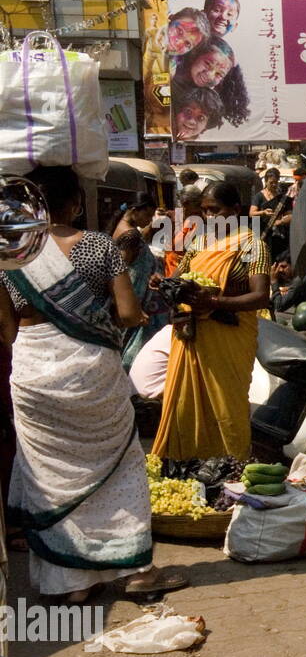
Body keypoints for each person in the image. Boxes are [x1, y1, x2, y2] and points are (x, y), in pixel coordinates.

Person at [0, 166, 185, 601]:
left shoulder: (9, 255)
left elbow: (6, 332)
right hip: (93, 375)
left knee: (49, 475)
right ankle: (136, 572)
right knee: (118, 466)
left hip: (34, 372)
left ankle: (69, 585)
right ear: (77, 203)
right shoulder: (99, 246)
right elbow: (126, 314)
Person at [151, 181, 270, 461]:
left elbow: (261, 296)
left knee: (226, 408)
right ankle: (187, 469)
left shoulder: (251, 245)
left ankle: (232, 468)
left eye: (216, 210)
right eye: (205, 211)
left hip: (229, 337)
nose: (209, 217)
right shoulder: (199, 242)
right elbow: (179, 277)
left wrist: (214, 302)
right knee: (184, 406)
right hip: (192, 336)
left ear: (236, 210)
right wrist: (164, 283)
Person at [111, 191, 168, 370]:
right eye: (148, 215)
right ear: (135, 211)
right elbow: (123, 270)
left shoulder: (123, 227)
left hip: (138, 297)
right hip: (138, 300)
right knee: (136, 350)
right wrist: (134, 307)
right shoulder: (130, 235)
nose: (150, 219)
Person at [167, 185, 203, 277]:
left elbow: (187, 251)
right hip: (171, 266)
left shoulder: (201, 222)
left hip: (182, 271)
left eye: (184, 204)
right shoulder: (185, 216)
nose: (182, 207)